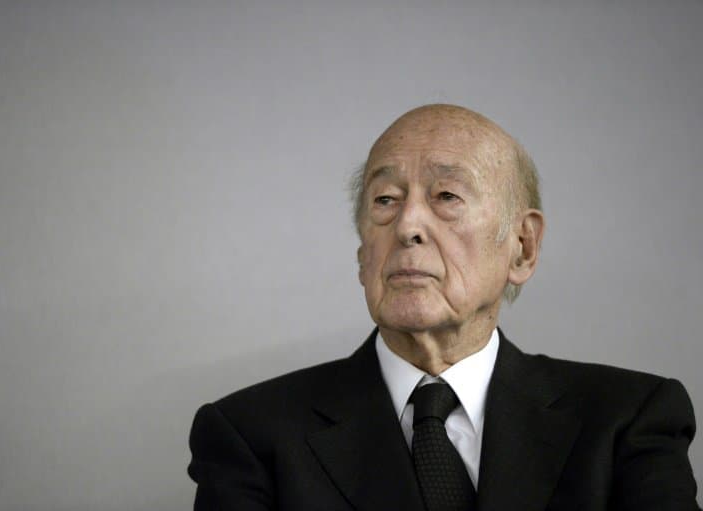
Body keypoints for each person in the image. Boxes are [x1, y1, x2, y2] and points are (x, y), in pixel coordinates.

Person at [188, 104, 700, 510]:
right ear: (364, 254)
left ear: (522, 246)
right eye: (385, 200)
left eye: (447, 196)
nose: (408, 224)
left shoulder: (627, 422)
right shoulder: (250, 437)